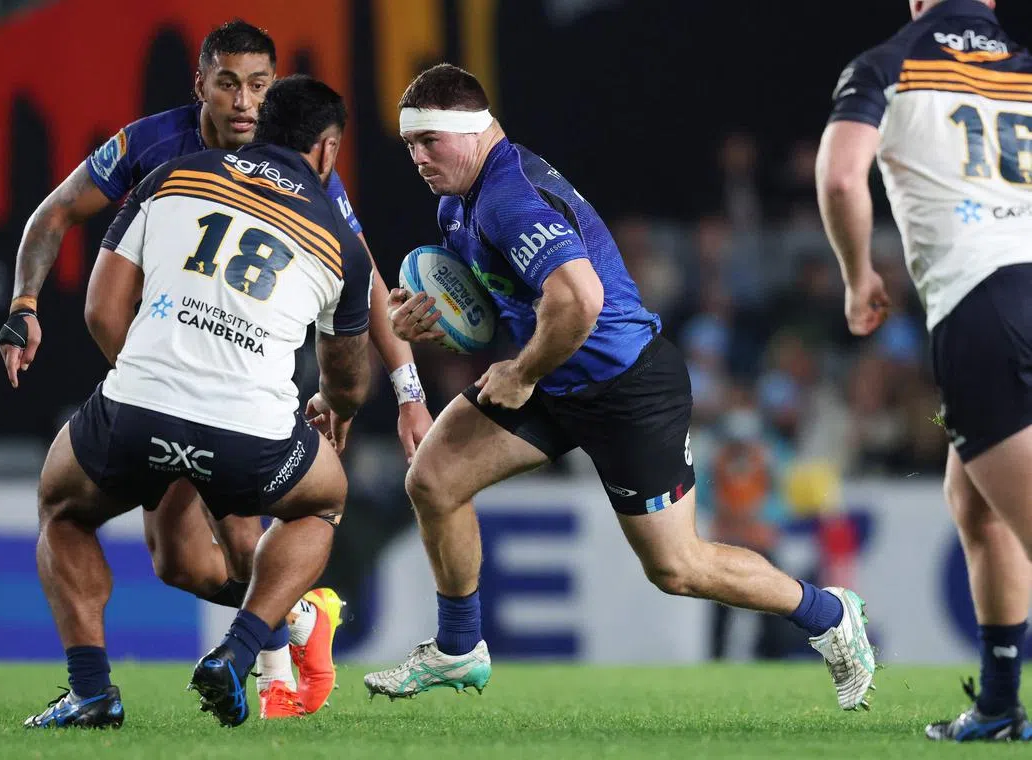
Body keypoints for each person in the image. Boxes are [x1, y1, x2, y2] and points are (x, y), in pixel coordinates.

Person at [363, 63, 876, 711]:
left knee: (678, 568)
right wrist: (433, 318)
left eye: (429, 141)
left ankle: (830, 614)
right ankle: (459, 648)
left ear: (475, 131)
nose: (416, 157)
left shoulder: (508, 197)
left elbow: (580, 299)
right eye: (409, 144)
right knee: (433, 479)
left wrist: (521, 373)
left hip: (626, 386)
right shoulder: (459, 201)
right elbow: (500, 304)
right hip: (555, 377)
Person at [0, 19, 431, 716]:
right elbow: (52, 219)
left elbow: (369, 280)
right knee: (182, 564)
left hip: (158, 393)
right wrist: (26, 302)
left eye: (259, 86)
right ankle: (287, 624)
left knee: (219, 539)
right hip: (196, 390)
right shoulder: (154, 147)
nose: (243, 102)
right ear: (199, 83)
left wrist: (411, 388)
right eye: (227, 83)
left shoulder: (206, 177)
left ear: (274, 94)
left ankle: (236, 671)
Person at [816, 0, 1032, 741]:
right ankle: (1001, 704)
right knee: (974, 504)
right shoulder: (1024, 68)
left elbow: (844, 179)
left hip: (983, 307)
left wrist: (855, 276)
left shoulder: (890, 61)